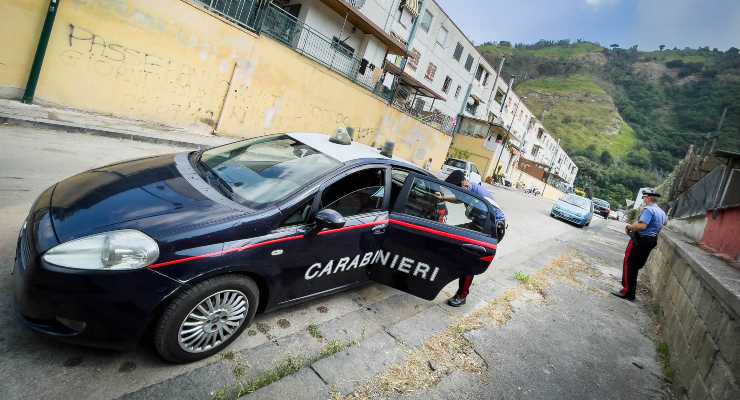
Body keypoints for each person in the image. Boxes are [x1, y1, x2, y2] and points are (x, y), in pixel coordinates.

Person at [442, 171, 505, 307]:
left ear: (463, 184)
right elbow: (459, 198)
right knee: (451, 236)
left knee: (469, 259)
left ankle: (462, 295)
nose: (456, 193)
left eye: (456, 190)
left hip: (492, 228)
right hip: (479, 223)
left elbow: (490, 219)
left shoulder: (477, 194)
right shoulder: (468, 189)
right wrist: (444, 198)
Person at [613, 191, 667, 301]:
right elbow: (663, 225)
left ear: (648, 198)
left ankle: (627, 291)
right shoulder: (662, 212)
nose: (643, 199)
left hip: (640, 240)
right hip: (651, 240)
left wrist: (630, 227)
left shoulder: (649, 210)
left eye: (644, 197)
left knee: (629, 263)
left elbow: (642, 226)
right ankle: (631, 292)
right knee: (636, 266)